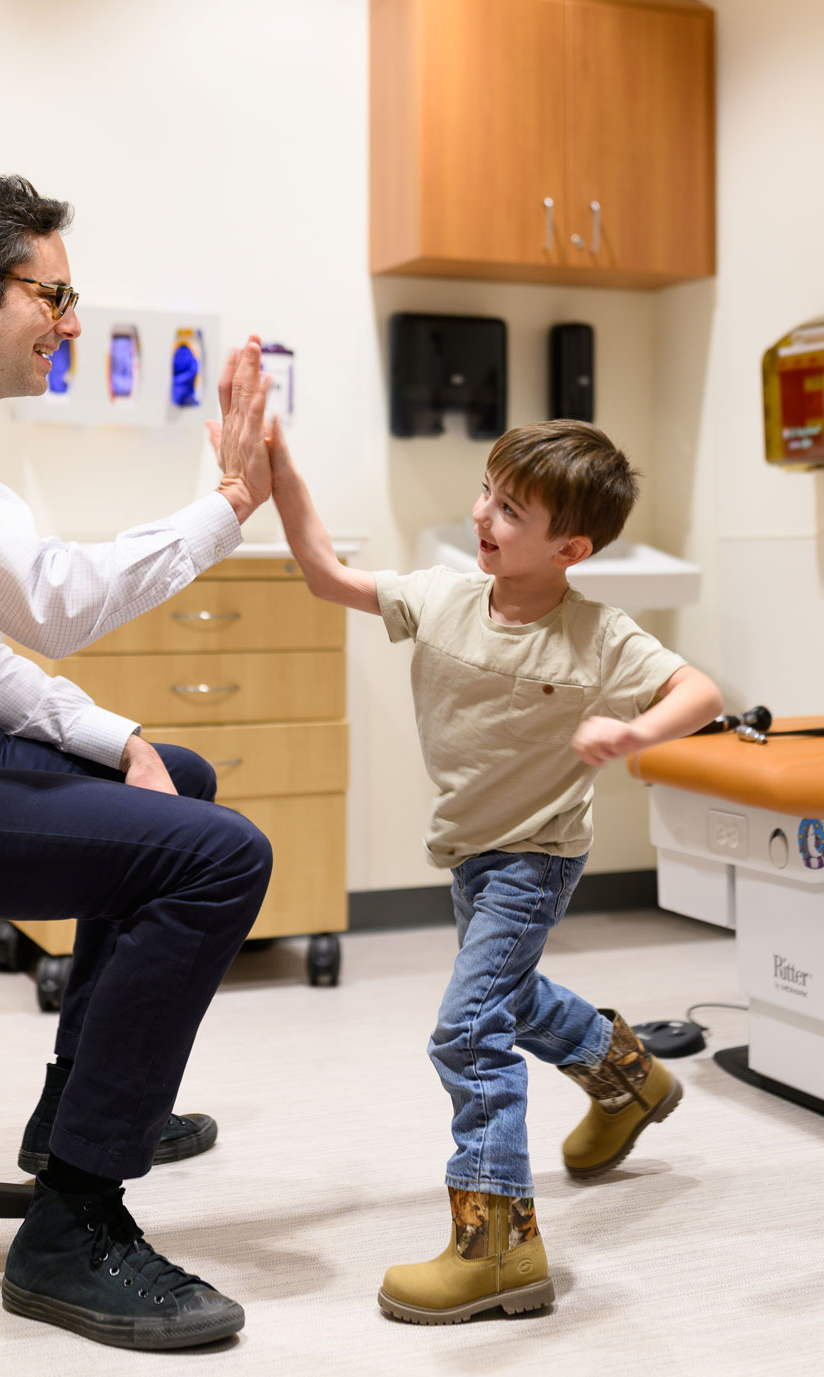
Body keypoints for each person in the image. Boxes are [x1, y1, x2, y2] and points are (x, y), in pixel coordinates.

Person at [0, 175, 274, 1351]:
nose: (71, 324)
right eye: (53, 296)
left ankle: (84, 1110)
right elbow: (52, 602)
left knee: (180, 781)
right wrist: (222, 507)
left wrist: (120, 742)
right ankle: (73, 1219)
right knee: (220, 862)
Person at [267, 416, 722, 1324]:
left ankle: (501, 1247)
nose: (483, 514)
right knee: (506, 999)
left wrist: (633, 732)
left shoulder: (599, 635)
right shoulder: (440, 597)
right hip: (470, 852)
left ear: (571, 548)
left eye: (510, 509)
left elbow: (700, 693)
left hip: (537, 857)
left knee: (468, 1031)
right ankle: (627, 1074)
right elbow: (326, 574)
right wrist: (276, 464)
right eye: (487, 492)